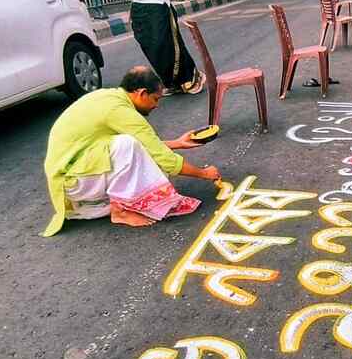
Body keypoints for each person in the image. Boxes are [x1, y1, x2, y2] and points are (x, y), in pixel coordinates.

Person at [42, 66, 222, 236]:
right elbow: (165, 159)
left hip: (76, 172)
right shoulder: (120, 110)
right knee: (127, 145)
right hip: (72, 181)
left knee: (133, 149)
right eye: (156, 99)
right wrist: (204, 173)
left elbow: (148, 146)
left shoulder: (110, 97)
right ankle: (120, 211)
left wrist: (178, 143)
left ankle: (113, 199)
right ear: (142, 93)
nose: (156, 105)